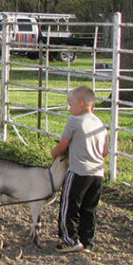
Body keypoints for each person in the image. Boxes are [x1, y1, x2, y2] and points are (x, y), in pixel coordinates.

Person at [52, 85, 108, 253]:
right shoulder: (100, 124)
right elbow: (105, 151)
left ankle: (70, 239)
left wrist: (54, 153)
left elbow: (63, 144)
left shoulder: (75, 122)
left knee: (69, 206)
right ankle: (87, 240)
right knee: (89, 208)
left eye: (71, 104)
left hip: (78, 172)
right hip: (97, 174)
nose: (70, 108)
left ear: (81, 103)